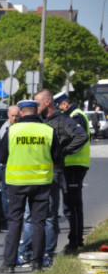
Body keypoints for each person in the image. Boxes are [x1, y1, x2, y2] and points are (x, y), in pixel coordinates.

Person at [16, 90, 87, 266]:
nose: (35, 107)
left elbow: (81, 136)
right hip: (35, 173)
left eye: (38, 103)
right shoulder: (40, 120)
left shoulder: (63, 120)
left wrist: (63, 151)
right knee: (30, 215)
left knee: (48, 215)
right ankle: (28, 252)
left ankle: (47, 253)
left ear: (47, 102)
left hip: (53, 173)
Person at [0, 100, 62, 273]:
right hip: (41, 183)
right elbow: (57, 158)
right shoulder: (48, 131)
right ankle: (37, 263)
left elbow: (2, 156)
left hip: (16, 183)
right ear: (36, 111)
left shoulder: (12, 130)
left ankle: (9, 264)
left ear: (21, 112)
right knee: (39, 222)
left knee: (15, 222)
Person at [55, 92, 91, 254]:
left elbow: (78, 138)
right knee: (71, 204)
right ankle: (76, 239)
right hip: (72, 164)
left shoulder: (76, 117)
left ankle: (75, 241)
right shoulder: (75, 115)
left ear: (65, 105)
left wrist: (63, 151)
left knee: (73, 205)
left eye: (59, 108)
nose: (59, 112)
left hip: (74, 164)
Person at [0, 105, 20, 232]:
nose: (14, 118)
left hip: (17, 165)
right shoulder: (5, 129)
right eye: (12, 115)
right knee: (6, 195)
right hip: (7, 166)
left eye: (17, 116)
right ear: (8, 115)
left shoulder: (18, 127)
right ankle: (6, 221)